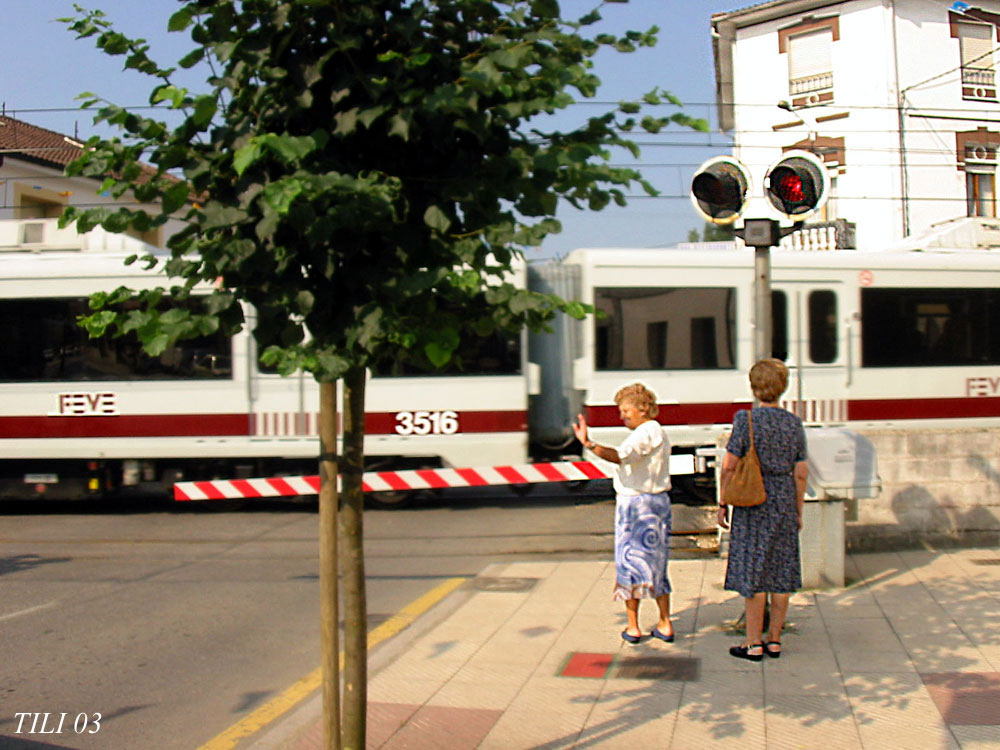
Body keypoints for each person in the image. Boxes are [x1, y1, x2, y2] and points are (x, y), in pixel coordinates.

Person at [718, 358, 808, 661]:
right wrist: (797, 511)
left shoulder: (746, 421)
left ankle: (753, 642)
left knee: (754, 571)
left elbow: (729, 466)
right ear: (783, 387)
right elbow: (801, 472)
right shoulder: (793, 423)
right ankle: (775, 640)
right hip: (782, 499)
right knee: (782, 571)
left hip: (753, 500)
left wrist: (722, 502)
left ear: (754, 388)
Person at [573, 382, 674, 645]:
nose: (623, 416)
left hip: (637, 506)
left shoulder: (646, 432)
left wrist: (589, 445)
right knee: (658, 565)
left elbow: (620, 456)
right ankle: (664, 621)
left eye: (626, 410)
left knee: (630, 565)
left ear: (642, 409)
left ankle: (633, 626)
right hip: (656, 503)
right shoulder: (655, 431)